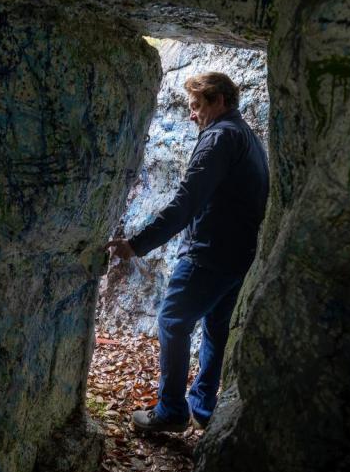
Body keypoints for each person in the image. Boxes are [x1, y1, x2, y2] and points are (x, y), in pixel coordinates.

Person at [104, 72, 269, 432]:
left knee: (172, 321)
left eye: (196, 106)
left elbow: (186, 203)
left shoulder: (219, 137)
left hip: (208, 254)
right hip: (238, 256)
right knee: (215, 328)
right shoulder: (248, 138)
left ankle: (171, 411)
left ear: (219, 101)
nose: (191, 115)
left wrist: (137, 244)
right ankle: (203, 406)